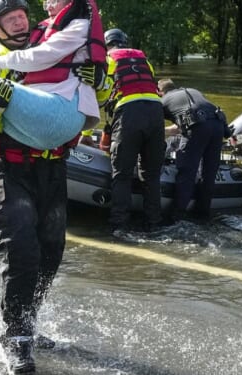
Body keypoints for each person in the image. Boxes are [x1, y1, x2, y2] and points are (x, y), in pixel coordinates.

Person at [0, 0, 104, 372]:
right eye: (7, 17)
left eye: (21, 13)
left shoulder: (52, 41)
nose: (18, 19)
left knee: (51, 253)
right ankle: (15, 337)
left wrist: (97, 79)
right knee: (22, 250)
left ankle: (28, 323)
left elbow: (77, 86)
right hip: (6, 170)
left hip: (52, 169)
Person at [97, 28, 165, 233]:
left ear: (107, 44)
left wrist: (85, 135)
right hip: (155, 112)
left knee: (122, 174)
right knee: (152, 175)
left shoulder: (107, 60)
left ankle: (120, 226)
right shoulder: (144, 61)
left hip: (129, 114)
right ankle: (154, 224)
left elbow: (99, 96)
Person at [158, 78, 230, 222]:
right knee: (209, 172)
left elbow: (153, 123)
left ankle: (177, 216)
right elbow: (185, 123)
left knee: (187, 172)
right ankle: (203, 214)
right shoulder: (192, 91)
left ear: (159, 92)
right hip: (218, 126)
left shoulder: (164, 101)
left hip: (197, 129)